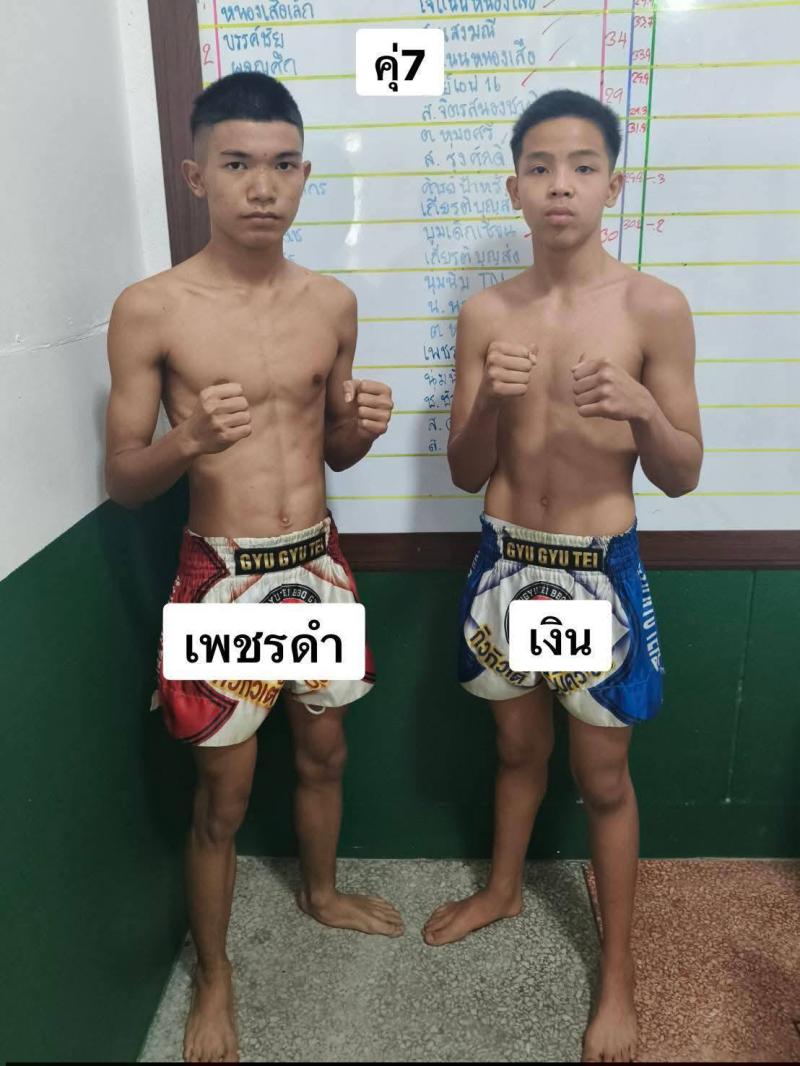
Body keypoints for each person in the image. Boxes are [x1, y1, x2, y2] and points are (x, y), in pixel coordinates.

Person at [104, 72, 400, 1064]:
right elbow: (124, 479)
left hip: (314, 562)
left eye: (281, 166)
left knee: (324, 754)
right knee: (223, 797)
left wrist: (358, 431)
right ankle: (216, 977)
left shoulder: (332, 303)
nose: (261, 187)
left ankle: (319, 891)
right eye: (237, 164)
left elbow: (334, 450)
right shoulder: (151, 309)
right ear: (197, 176)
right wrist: (187, 440)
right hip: (222, 575)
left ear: (304, 176)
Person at [422, 89, 703, 1063]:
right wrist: (488, 406)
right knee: (514, 748)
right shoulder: (486, 312)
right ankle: (504, 891)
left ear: (611, 185)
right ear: (514, 187)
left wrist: (641, 409)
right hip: (506, 558)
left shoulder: (653, 308)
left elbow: (681, 473)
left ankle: (615, 976)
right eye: (539, 167)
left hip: (596, 568)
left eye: (582, 167)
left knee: (603, 776)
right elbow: (464, 470)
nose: (559, 186)